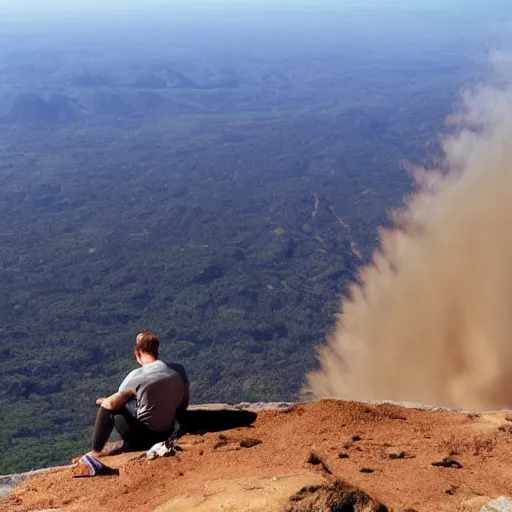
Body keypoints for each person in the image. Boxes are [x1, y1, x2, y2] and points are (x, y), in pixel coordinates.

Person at [90, 330, 189, 457]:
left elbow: (111, 404)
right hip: (168, 434)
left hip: (143, 440)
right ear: (157, 350)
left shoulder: (137, 375)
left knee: (110, 408)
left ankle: (95, 452)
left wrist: (105, 402)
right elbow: (182, 401)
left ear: (137, 352)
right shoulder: (177, 370)